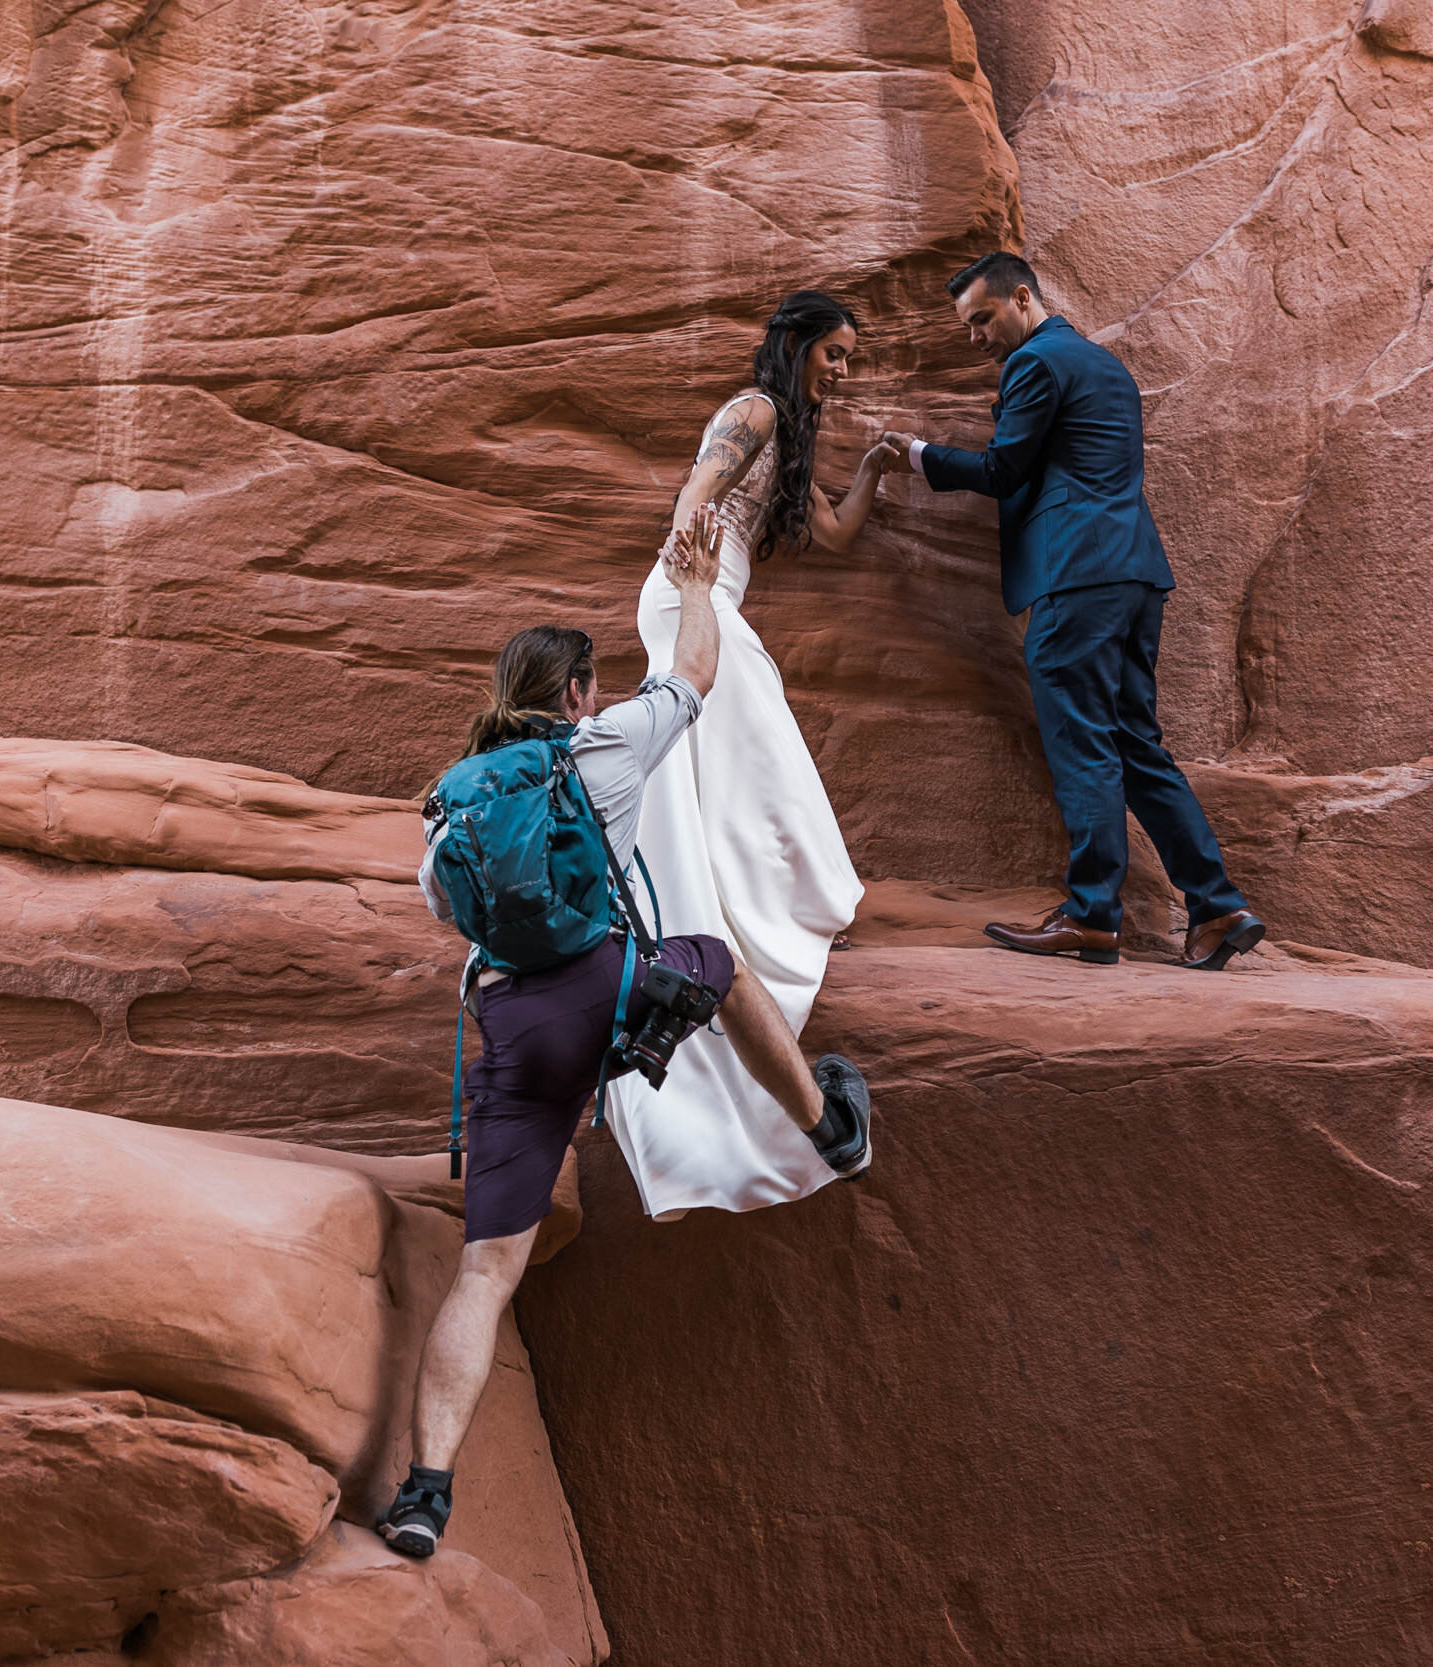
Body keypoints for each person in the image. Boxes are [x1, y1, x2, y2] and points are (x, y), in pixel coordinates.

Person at [377, 507, 873, 1561]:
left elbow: (446, 914)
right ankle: (829, 1123)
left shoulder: (449, 807)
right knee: (717, 959)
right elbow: (692, 670)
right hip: (613, 994)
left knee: (484, 1272)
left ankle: (423, 1492)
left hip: (516, 1035)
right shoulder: (601, 745)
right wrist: (695, 582)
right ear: (573, 693)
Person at [881, 252, 1266, 971]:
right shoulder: (1106, 366)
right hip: (1134, 574)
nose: (976, 340)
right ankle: (1216, 904)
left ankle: (1092, 916)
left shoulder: (1036, 363)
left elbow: (1003, 470)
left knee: (1082, 742)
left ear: (1022, 297)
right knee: (1137, 747)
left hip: (1075, 577)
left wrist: (917, 454)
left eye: (981, 320)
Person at [603, 291, 900, 1219]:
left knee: (730, 760)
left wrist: (880, 468)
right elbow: (700, 485)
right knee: (757, 732)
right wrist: (693, 578)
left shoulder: (793, 435)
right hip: (688, 597)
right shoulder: (755, 409)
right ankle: (792, 903)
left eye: (850, 359)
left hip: (707, 597)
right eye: (835, 354)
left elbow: (836, 532)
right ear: (799, 345)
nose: (841, 371)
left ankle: (757, 901)